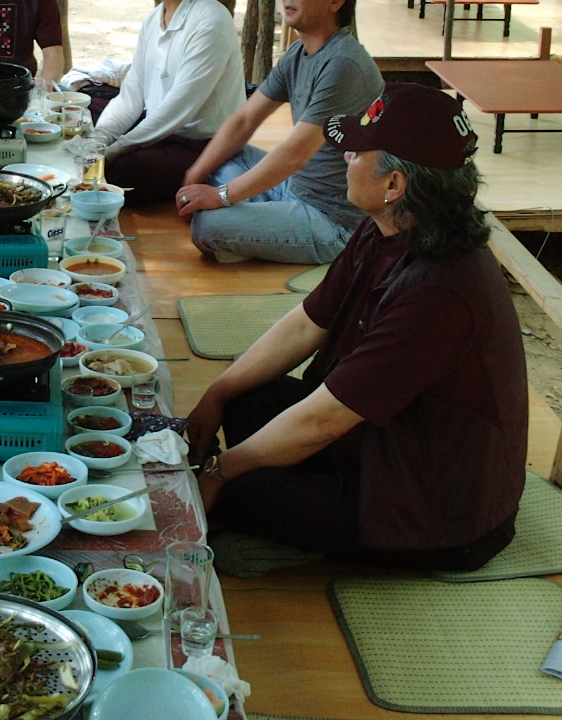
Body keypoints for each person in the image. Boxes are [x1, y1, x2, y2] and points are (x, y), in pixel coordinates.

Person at [185, 84, 527, 571]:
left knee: (241, 485)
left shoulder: (439, 290)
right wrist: (216, 393)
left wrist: (221, 471)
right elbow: (307, 323)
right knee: (244, 398)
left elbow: (323, 420)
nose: (345, 154)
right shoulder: (388, 225)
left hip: (434, 504)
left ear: (394, 185)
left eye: (359, 151)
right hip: (377, 439)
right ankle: (280, 518)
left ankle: (297, 542)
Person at [178, 0, 382, 265]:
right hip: (295, 188)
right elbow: (245, 120)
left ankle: (253, 228)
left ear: (335, 0)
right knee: (221, 155)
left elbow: (294, 154)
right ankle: (259, 223)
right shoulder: (299, 53)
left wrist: (219, 196)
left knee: (207, 224)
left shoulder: (344, 64)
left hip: (332, 218)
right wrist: (194, 175)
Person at [92, 0, 245, 206]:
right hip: (160, 130)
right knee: (88, 112)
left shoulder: (210, 21)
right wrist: (96, 141)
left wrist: (113, 150)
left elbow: (179, 109)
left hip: (199, 145)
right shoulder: (153, 19)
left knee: (119, 171)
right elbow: (132, 95)